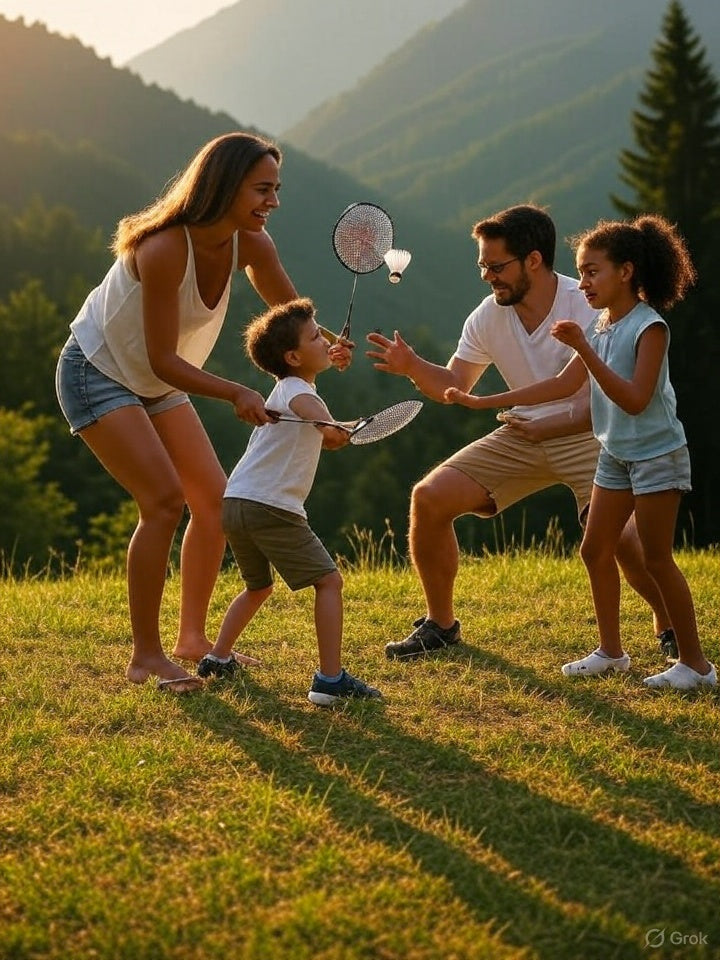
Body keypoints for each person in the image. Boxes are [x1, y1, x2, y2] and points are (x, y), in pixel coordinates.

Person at [55, 132, 352, 693]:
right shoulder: (164, 248)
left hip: (154, 377)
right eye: (262, 189)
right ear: (224, 187)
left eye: (276, 189)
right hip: (97, 371)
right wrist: (238, 392)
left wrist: (329, 343)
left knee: (213, 503)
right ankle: (145, 656)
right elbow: (165, 360)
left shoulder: (252, 246)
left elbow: (291, 318)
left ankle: (191, 641)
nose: (274, 202)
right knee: (164, 502)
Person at [366, 203, 675, 662]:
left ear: (533, 259)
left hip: (593, 436)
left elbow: (602, 399)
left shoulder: (591, 301)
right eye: (482, 266)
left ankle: (669, 627)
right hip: (522, 432)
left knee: (626, 542)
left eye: (497, 265)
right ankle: (441, 625)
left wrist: (542, 422)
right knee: (428, 498)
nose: (488, 276)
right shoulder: (488, 315)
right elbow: (456, 384)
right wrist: (411, 366)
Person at [445, 214, 716, 690]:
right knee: (594, 548)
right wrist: (480, 400)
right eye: (582, 271)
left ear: (626, 272)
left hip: (656, 455)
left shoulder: (648, 328)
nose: (583, 282)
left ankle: (696, 666)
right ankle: (611, 653)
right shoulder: (602, 325)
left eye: (593, 272)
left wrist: (584, 350)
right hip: (615, 453)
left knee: (655, 558)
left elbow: (633, 398)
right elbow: (560, 385)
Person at [196, 297, 382, 706]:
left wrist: (337, 414)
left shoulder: (289, 387)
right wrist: (351, 428)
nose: (326, 340)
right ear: (294, 356)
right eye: (317, 336)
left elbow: (322, 422)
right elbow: (330, 435)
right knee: (329, 581)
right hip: (270, 506)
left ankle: (218, 657)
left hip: (237, 503)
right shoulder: (301, 394)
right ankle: (330, 680)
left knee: (257, 587)